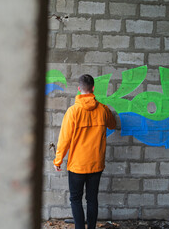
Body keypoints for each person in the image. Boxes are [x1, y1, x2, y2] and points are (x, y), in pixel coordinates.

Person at [53, 74, 116, 229]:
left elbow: (64, 140)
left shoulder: (72, 112)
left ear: (79, 89)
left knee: (75, 199)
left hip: (77, 166)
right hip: (96, 164)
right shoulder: (103, 110)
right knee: (92, 199)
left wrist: (58, 160)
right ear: (93, 88)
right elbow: (113, 125)